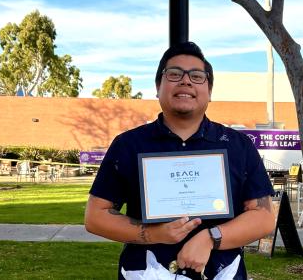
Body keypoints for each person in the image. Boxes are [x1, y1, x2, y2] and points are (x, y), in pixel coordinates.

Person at [85, 42, 275, 279]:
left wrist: (209, 239)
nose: (185, 81)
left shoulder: (238, 146)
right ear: (158, 87)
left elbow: (264, 217)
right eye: (174, 74)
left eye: (197, 76)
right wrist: (154, 234)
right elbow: (95, 216)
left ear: (209, 91)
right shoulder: (128, 145)